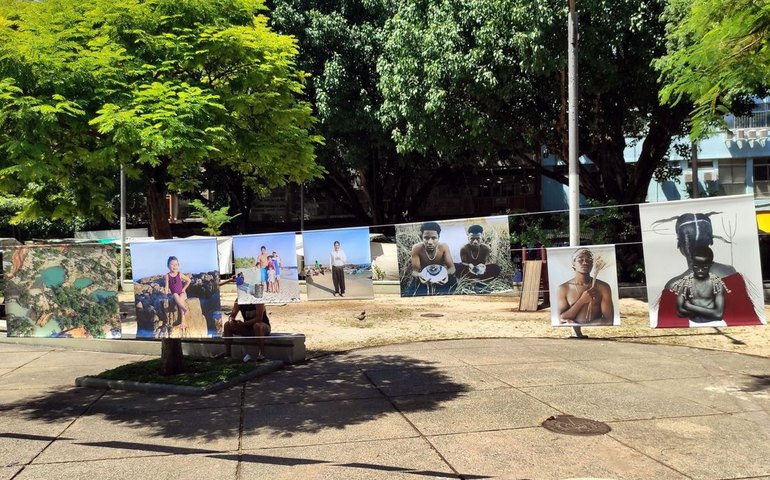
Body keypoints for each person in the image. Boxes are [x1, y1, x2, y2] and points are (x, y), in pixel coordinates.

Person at [654, 212, 762, 327]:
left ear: (679, 244)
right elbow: (747, 319)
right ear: (711, 240)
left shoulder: (673, 286)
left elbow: (671, 326)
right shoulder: (730, 273)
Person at [556, 248, 614, 325]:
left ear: (593, 264)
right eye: (581, 260)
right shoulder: (563, 288)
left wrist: (580, 326)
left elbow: (609, 320)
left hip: (595, 332)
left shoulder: (603, 287)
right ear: (573, 263)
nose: (585, 262)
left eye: (589, 260)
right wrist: (581, 301)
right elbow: (561, 320)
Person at [671, 246, 726, 323]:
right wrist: (708, 313)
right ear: (691, 263)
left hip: (715, 323)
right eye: (696, 266)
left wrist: (689, 306)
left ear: (711, 264)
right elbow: (680, 312)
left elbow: (718, 315)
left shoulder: (716, 284)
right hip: (692, 324)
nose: (700, 270)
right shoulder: (685, 283)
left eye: (704, 267)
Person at [409, 221, 457, 295]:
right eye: (426, 238)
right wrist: (420, 275)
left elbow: (452, 268)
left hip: (441, 275)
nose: (430, 242)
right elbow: (415, 272)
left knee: (453, 286)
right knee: (411, 291)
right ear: (422, 237)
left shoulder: (443, 247)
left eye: (434, 238)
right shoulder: (416, 248)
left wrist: (445, 275)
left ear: (439, 237)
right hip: (425, 276)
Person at [164, 256, 191, 331]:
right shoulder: (167, 276)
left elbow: (188, 280)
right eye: (172, 264)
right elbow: (166, 287)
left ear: (178, 265)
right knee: (175, 295)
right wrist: (166, 295)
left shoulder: (179, 274)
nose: (174, 266)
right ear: (168, 266)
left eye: (176, 264)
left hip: (182, 293)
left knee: (181, 298)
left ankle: (183, 319)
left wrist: (184, 289)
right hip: (175, 294)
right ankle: (183, 317)